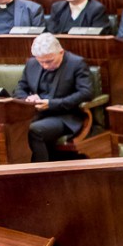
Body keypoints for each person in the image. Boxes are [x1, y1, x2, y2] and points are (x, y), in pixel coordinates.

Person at [13, 33, 93, 162]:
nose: (45, 65)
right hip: (36, 113)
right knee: (13, 128)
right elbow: (20, 88)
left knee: (34, 131)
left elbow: (86, 93)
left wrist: (51, 104)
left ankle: (42, 172)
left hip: (64, 116)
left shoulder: (76, 63)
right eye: (41, 62)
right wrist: (28, 99)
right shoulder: (32, 63)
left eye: (49, 61)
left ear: (61, 52)